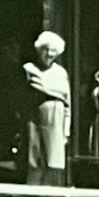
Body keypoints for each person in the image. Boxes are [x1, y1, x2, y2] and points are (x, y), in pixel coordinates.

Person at [21, 30, 71, 186]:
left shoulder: (61, 73)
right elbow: (27, 93)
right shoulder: (29, 69)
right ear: (39, 50)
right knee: (35, 162)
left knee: (54, 164)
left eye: (53, 50)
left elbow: (67, 102)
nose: (49, 54)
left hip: (57, 120)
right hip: (35, 119)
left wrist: (66, 128)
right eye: (46, 49)